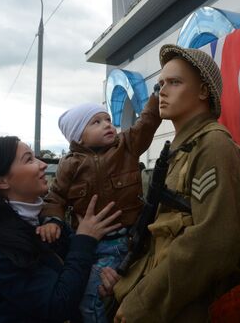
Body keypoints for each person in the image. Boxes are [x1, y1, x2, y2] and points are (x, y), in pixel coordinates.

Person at [108, 44, 240, 322]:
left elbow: (213, 243)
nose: (163, 91)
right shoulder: (178, 150)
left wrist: (144, 301)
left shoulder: (213, 146)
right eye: (160, 84)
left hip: (186, 307)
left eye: (175, 82)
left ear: (203, 91)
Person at [0, 136, 122, 322]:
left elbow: (73, 277)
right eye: (29, 159)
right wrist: (85, 239)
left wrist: (99, 280)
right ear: (2, 181)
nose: (42, 165)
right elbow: (57, 305)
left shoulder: (45, 225)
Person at [38, 93, 162, 322]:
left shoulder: (126, 146)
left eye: (107, 120)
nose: (107, 125)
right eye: (96, 122)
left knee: (96, 292)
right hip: (87, 245)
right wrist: (52, 220)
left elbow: (147, 123)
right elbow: (55, 198)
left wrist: (156, 97)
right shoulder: (69, 165)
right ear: (79, 137)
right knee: (92, 291)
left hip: (125, 240)